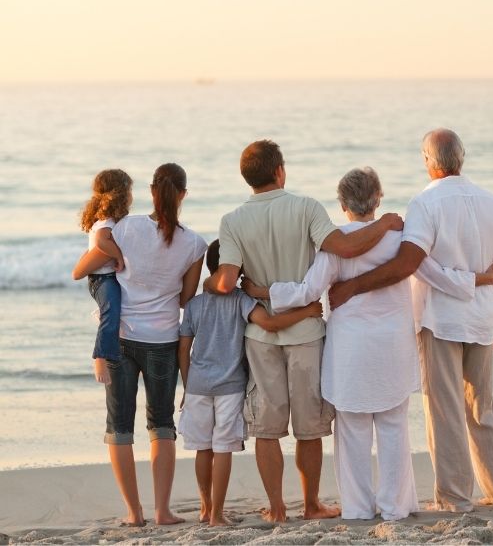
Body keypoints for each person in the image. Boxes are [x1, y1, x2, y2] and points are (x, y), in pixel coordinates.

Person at [244, 167, 493, 520]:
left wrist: (262, 291)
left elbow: (306, 292)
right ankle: (395, 507)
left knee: (352, 434)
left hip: (350, 349)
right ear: (378, 199)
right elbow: (435, 276)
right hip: (393, 344)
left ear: (342, 203)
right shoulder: (400, 238)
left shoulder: (334, 245)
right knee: (394, 429)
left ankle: (359, 509)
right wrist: (479, 280)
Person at [203, 140, 404, 522]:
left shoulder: (231, 221)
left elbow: (227, 281)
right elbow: (342, 248)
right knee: (308, 426)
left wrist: (210, 286)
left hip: (261, 337)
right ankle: (311, 505)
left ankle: (277, 508)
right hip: (307, 332)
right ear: (280, 171)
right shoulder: (306, 207)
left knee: (267, 425)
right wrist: (386, 223)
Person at [329, 129, 493, 512]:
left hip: (441, 319)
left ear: (429, 162)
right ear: (460, 158)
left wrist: (354, 287)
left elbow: (408, 263)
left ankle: (455, 497)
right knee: (482, 407)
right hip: (481, 318)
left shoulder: (425, 203)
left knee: (445, 408)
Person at [73, 163, 207, 526]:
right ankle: (163, 511)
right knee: (161, 424)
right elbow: (186, 298)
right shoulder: (195, 244)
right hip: (162, 339)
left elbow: (91, 263)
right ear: (182, 195)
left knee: (119, 426)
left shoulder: (126, 227)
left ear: (151, 191)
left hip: (121, 337)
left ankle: (134, 513)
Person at [178, 240, 326, 527]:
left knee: (203, 449)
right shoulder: (241, 301)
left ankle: (206, 508)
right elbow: (270, 324)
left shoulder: (194, 305)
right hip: (230, 387)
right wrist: (306, 313)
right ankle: (218, 515)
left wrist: (186, 383)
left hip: (197, 386)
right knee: (222, 448)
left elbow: (184, 349)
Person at [72, 169, 133, 385]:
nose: (132, 196)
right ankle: (100, 356)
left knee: (117, 312)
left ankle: (127, 356)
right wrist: (119, 257)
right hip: (102, 278)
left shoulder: (110, 219)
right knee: (112, 311)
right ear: (120, 194)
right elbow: (100, 242)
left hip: (106, 277)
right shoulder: (106, 221)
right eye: (130, 190)